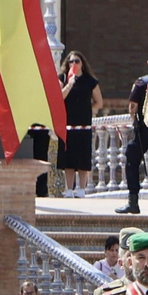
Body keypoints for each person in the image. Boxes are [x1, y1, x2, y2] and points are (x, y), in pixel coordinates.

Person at [119, 51, 148, 215]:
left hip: (144, 128)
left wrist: (134, 121)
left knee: (132, 158)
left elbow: (132, 107)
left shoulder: (141, 83)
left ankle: (134, 201)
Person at [59, 50, 103, 197]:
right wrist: (69, 84)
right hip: (67, 121)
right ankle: (69, 189)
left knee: (83, 154)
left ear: (82, 63)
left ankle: (81, 188)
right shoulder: (63, 78)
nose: (74, 64)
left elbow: (99, 102)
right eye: (71, 61)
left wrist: (86, 109)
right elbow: (59, 98)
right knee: (68, 155)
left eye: (77, 61)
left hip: (83, 122)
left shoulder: (90, 81)